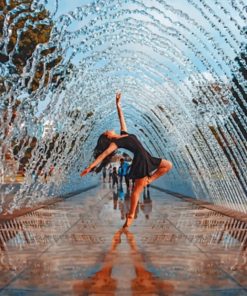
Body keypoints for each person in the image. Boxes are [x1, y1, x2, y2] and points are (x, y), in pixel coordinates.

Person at [80, 92, 173, 228]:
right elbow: (103, 155)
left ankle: (149, 180)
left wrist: (118, 105)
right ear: (108, 137)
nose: (109, 130)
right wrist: (90, 166)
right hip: (140, 161)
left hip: (147, 157)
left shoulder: (124, 134)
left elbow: (121, 119)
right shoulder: (115, 144)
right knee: (136, 191)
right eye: (107, 131)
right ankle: (130, 216)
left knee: (168, 165)